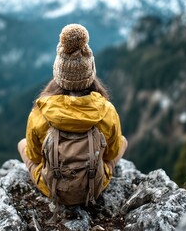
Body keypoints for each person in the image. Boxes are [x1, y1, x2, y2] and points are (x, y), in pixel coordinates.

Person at [18, 23, 127, 198]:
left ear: (58, 74)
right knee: (122, 141)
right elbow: (111, 154)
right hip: (93, 187)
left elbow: (35, 156)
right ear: (90, 72)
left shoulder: (41, 111)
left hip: (53, 189)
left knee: (22, 144)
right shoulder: (106, 110)